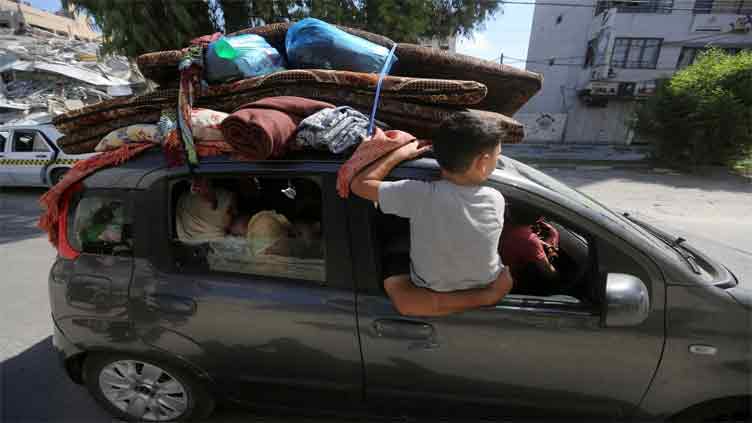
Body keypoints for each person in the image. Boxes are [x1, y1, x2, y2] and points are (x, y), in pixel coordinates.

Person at [350, 113, 514, 317]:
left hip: (429, 288)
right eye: (497, 157)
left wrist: (401, 154)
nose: (497, 163)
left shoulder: (419, 195)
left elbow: (359, 185)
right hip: (486, 284)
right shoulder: (496, 198)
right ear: (482, 162)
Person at [501, 208, 560, 295]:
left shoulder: (503, 223)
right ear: (539, 219)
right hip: (510, 285)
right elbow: (549, 272)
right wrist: (553, 241)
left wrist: (541, 243)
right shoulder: (530, 241)